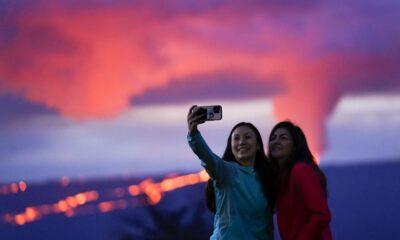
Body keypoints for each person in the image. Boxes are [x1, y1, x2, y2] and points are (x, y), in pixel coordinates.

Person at [187, 105, 274, 240]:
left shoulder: (267, 179)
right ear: (231, 145)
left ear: (258, 145)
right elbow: (207, 157)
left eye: (247, 137)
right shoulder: (226, 172)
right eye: (236, 138)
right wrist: (194, 135)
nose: (242, 142)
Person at [267, 121, 332, 240]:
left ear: (295, 146)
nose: (276, 141)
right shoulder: (281, 177)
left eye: (283, 138)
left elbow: (322, 215)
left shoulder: (300, 170)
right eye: (273, 138)